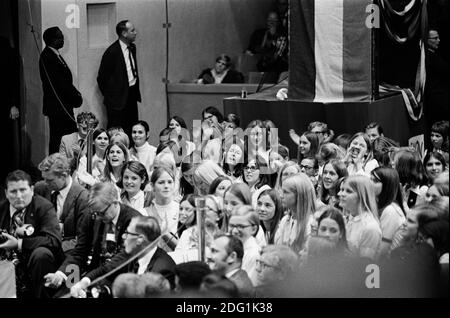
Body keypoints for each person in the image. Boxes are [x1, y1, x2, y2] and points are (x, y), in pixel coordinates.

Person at [43, 182, 140, 292]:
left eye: (102, 213)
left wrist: (88, 279)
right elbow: (80, 251)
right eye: (95, 214)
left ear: (115, 203)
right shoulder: (92, 214)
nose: (98, 217)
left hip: (121, 278)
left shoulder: (134, 221)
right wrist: (60, 274)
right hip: (93, 273)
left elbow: (121, 260)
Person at [70, 215, 176, 297]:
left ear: (140, 239)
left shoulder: (162, 269)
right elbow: (106, 269)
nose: (123, 236)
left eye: (128, 233)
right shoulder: (132, 254)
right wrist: (84, 283)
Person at [0, 170, 63, 298]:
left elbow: (53, 240)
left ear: (32, 190)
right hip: (6, 265)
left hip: (34, 263)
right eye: (13, 191)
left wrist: (19, 244)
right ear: (6, 193)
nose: (19, 196)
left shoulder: (44, 207)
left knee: (41, 254)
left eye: (23, 190)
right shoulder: (1, 210)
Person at [34, 153, 90, 253]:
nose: (46, 183)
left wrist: (52, 248)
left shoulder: (82, 197)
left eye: (50, 180)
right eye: (44, 179)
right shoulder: (40, 188)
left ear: (64, 176)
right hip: (41, 245)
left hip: (67, 251)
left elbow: (81, 239)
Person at [39, 27, 82, 154]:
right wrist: (76, 97)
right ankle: (55, 166)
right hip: (58, 107)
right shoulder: (47, 57)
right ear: (52, 40)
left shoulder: (55, 55)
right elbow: (60, 84)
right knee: (59, 138)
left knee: (66, 136)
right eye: (59, 37)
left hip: (63, 105)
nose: (62, 39)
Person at [97, 20, 141, 137]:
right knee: (116, 131)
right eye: (132, 30)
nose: (136, 32)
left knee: (132, 127)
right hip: (116, 101)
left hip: (131, 94)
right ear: (124, 33)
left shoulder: (132, 48)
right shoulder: (112, 52)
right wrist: (111, 97)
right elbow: (101, 78)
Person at [338, 175, 381, 260]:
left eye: (348, 191)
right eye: (342, 190)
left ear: (362, 196)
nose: (340, 194)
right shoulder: (347, 218)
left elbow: (364, 265)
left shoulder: (370, 227)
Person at [275, 173, 316, 253]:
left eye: (285, 192)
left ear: (299, 195)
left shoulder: (311, 224)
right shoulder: (285, 220)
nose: (281, 195)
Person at [370, 167, 406, 257]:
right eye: (370, 179)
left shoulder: (391, 211)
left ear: (387, 185)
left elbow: (382, 250)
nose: (369, 184)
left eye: (375, 181)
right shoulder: (378, 205)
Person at [246, 11, 288, 82]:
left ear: (278, 22)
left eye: (274, 21)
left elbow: (280, 54)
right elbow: (251, 49)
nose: (271, 23)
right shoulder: (258, 34)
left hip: (276, 65)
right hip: (259, 63)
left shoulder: (282, 36)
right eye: (269, 20)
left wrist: (273, 36)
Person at [0, 36, 20, 183]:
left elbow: (13, 80)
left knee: (5, 139)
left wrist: (13, 104)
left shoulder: (7, 51)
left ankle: (5, 173)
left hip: (5, 103)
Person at [228, 205, 261, 285]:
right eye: (232, 226)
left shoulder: (254, 254)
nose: (235, 231)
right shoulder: (229, 246)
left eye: (241, 226)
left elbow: (248, 287)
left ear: (253, 229)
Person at [424, 30, 449, 133]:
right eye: (435, 38)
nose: (438, 40)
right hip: (436, 103)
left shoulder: (435, 55)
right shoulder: (428, 57)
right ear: (427, 40)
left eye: (438, 37)